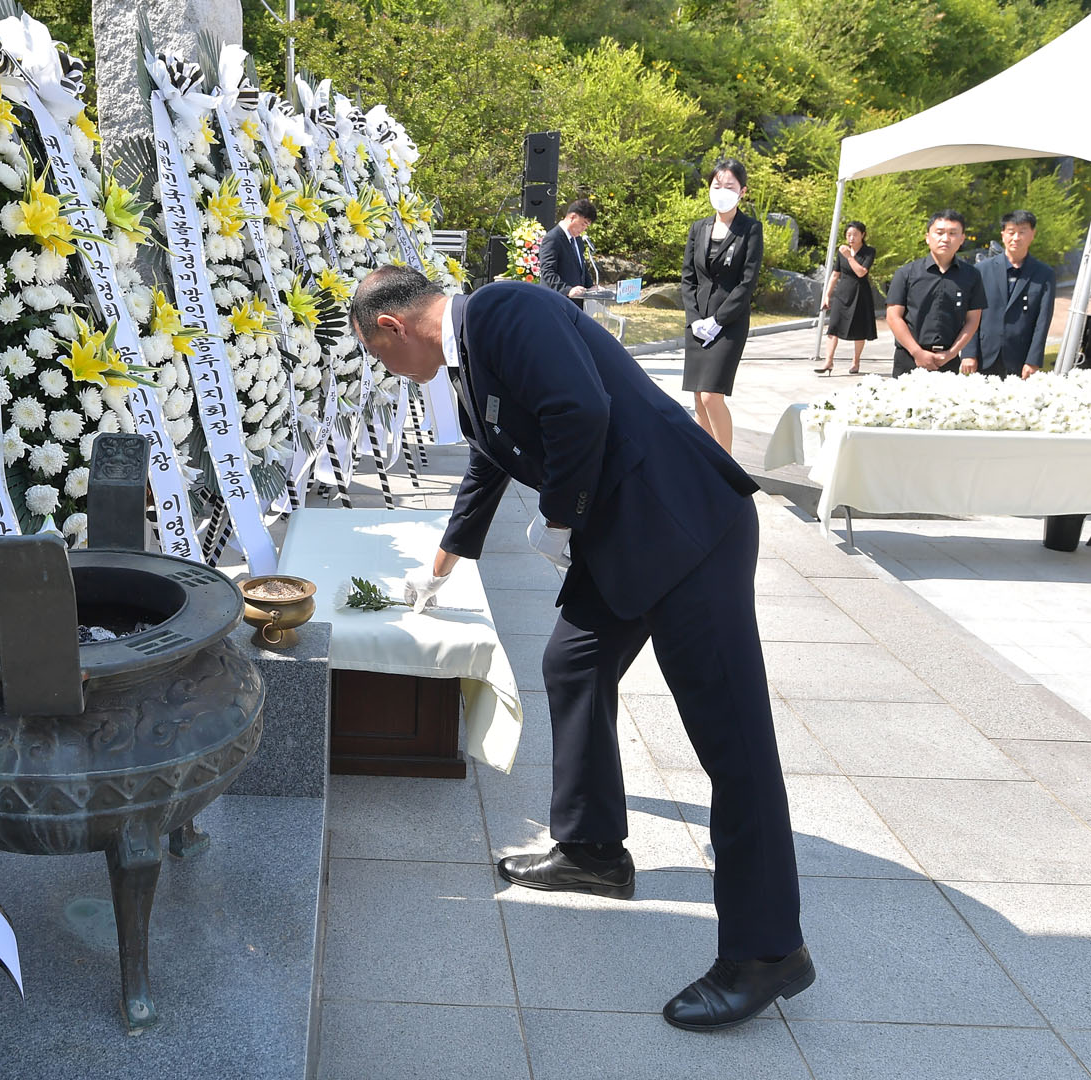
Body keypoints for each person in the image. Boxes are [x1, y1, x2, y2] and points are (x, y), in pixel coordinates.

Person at [348, 264, 812, 1033]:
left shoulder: (502, 310)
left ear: (392, 326)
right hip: (623, 541)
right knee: (572, 665)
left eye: (378, 354)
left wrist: (561, 517)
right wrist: (439, 568)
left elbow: (579, 408)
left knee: (734, 746)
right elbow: (491, 462)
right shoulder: (469, 358)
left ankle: (768, 952)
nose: (389, 370)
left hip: (687, 528)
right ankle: (593, 850)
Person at [682, 158, 763, 454]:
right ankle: (706, 460)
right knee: (697, 397)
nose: (722, 191)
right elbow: (688, 278)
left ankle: (725, 462)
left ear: (742, 191)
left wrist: (718, 320)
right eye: (717, 185)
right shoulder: (699, 227)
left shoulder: (750, 229)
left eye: (730, 186)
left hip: (729, 323)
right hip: (698, 322)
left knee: (711, 395)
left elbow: (747, 282)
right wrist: (695, 319)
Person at [885, 210, 986, 376]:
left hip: (948, 360)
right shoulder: (906, 273)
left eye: (952, 233)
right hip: (909, 358)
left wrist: (952, 353)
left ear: (962, 239)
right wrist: (917, 352)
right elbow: (893, 316)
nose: (945, 238)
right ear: (927, 237)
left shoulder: (972, 276)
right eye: (939, 233)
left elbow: (973, 320)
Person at [961, 210, 1055, 378]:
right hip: (984, 355)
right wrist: (969, 352)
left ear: (1032, 234)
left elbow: (1043, 321)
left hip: (1021, 358)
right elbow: (971, 314)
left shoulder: (1044, 274)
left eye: (1022, 232)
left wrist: (1033, 360)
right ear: (1003, 234)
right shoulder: (982, 270)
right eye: (1011, 232)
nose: (1016, 238)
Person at [817, 221, 876, 375]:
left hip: (860, 294)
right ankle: (828, 361)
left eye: (855, 235)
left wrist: (849, 256)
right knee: (833, 327)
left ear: (863, 235)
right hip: (842, 294)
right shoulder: (842, 252)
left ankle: (856, 361)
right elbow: (835, 274)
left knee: (859, 330)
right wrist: (827, 295)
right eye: (848, 235)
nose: (851, 238)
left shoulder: (869, 252)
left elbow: (861, 272)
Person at [538, 197, 598, 307]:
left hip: (575, 303)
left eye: (587, 226)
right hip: (555, 301)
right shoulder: (553, 238)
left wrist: (591, 287)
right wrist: (567, 290)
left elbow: (581, 268)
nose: (584, 229)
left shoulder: (578, 240)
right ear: (573, 217)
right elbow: (547, 271)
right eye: (583, 224)